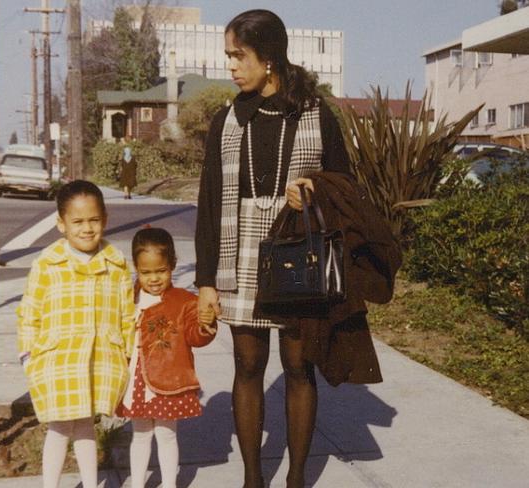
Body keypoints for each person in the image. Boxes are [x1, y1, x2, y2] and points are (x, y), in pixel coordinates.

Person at [195, 10, 382, 488]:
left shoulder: (318, 114)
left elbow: (347, 188)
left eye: (240, 56)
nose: (232, 67)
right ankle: (253, 479)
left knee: (299, 368)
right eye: (229, 56)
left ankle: (296, 477)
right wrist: (205, 283)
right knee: (247, 366)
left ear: (270, 57)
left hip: (301, 259)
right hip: (239, 260)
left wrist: (313, 190)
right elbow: (210, 201)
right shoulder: (226, 119)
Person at [17, 180, 135, 488]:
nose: (86, 228)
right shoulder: (47, 263)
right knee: (59, 427)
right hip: (57, 360)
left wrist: (128, 355)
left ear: (105, 219)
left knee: (86, 425)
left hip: (99, 359)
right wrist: (28, 356)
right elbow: (30, 311)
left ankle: (90, 482)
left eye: (94, 220)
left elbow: (127, 315)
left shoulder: (117, 264)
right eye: (78, 221)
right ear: (61, 224)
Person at [117, 227, 217, 488]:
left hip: (169, 379)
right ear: (136, 268)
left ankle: (169, 484)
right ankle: (137, 484)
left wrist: (206, 326)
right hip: (137, 380)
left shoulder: (184, 301)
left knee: (166, 434)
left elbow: (195, 336)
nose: (153, 278)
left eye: (160, 271)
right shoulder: (128, 298)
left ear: (172, 265)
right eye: (146, 272)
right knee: (140, 434)